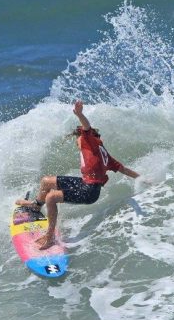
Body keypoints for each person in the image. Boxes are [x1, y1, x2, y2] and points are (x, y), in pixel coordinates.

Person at [15, 100, 140, 250]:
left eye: (78, 138)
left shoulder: (90, 141)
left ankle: (49, 237)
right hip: (85, 182)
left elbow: (86, 127)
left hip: (89, 192)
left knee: (51, 197)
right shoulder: (103, 152)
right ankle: (36, 206)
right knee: (46, 181)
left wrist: (80, 114)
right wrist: (142, 179)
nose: (77, 142)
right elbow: (124, 170)